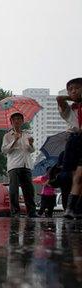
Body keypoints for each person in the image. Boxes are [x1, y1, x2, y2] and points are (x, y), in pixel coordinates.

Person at [1, 112, 37, 218]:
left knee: (29, 190)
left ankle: (32, 212)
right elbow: (4, 150)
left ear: (22, 121)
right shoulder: (7, 136)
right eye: (15, 119)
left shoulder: (26, 134)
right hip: (14, 166)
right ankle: (15, 213)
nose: (17, 121)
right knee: (14, 190)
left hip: (26, 165)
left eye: (19, 119)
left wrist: (31, 144)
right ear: (11, 122)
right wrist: (14, 140)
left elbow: (31, 150)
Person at [56, 77, 82, 219]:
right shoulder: (70, 109)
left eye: (77, 88)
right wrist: (72, 97)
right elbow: (59, 99)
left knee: (79, 175)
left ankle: (72, 209)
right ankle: (71, 208)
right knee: (69, 176)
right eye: (70, 89)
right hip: (74, 140)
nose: (73, 91)